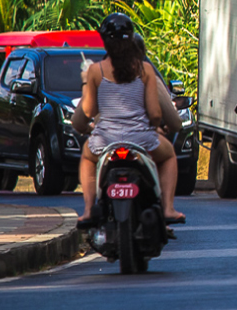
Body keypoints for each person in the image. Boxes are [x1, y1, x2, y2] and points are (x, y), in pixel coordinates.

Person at [78, 13, 183, 228]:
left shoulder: (95, 71)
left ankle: (89, 209)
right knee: (169, 155)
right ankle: (168, 208)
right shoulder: (145, 70)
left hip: (105, 140)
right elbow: (155, 113)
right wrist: (154, 128)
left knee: (88, 158)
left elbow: (88, 110)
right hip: (141, 139)